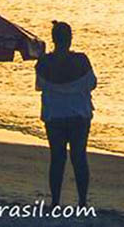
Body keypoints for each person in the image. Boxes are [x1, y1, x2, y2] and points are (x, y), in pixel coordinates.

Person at [36, 21, 97, 207]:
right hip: (79, 115)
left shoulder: (44, 62)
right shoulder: (81, 60)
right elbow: (92, 83)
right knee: (79, 158)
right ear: (70, 39)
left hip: (54, 115)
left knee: (57, 158)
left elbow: (39, 85)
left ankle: (55, 202)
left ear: (53, 39)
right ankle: (82, 202)